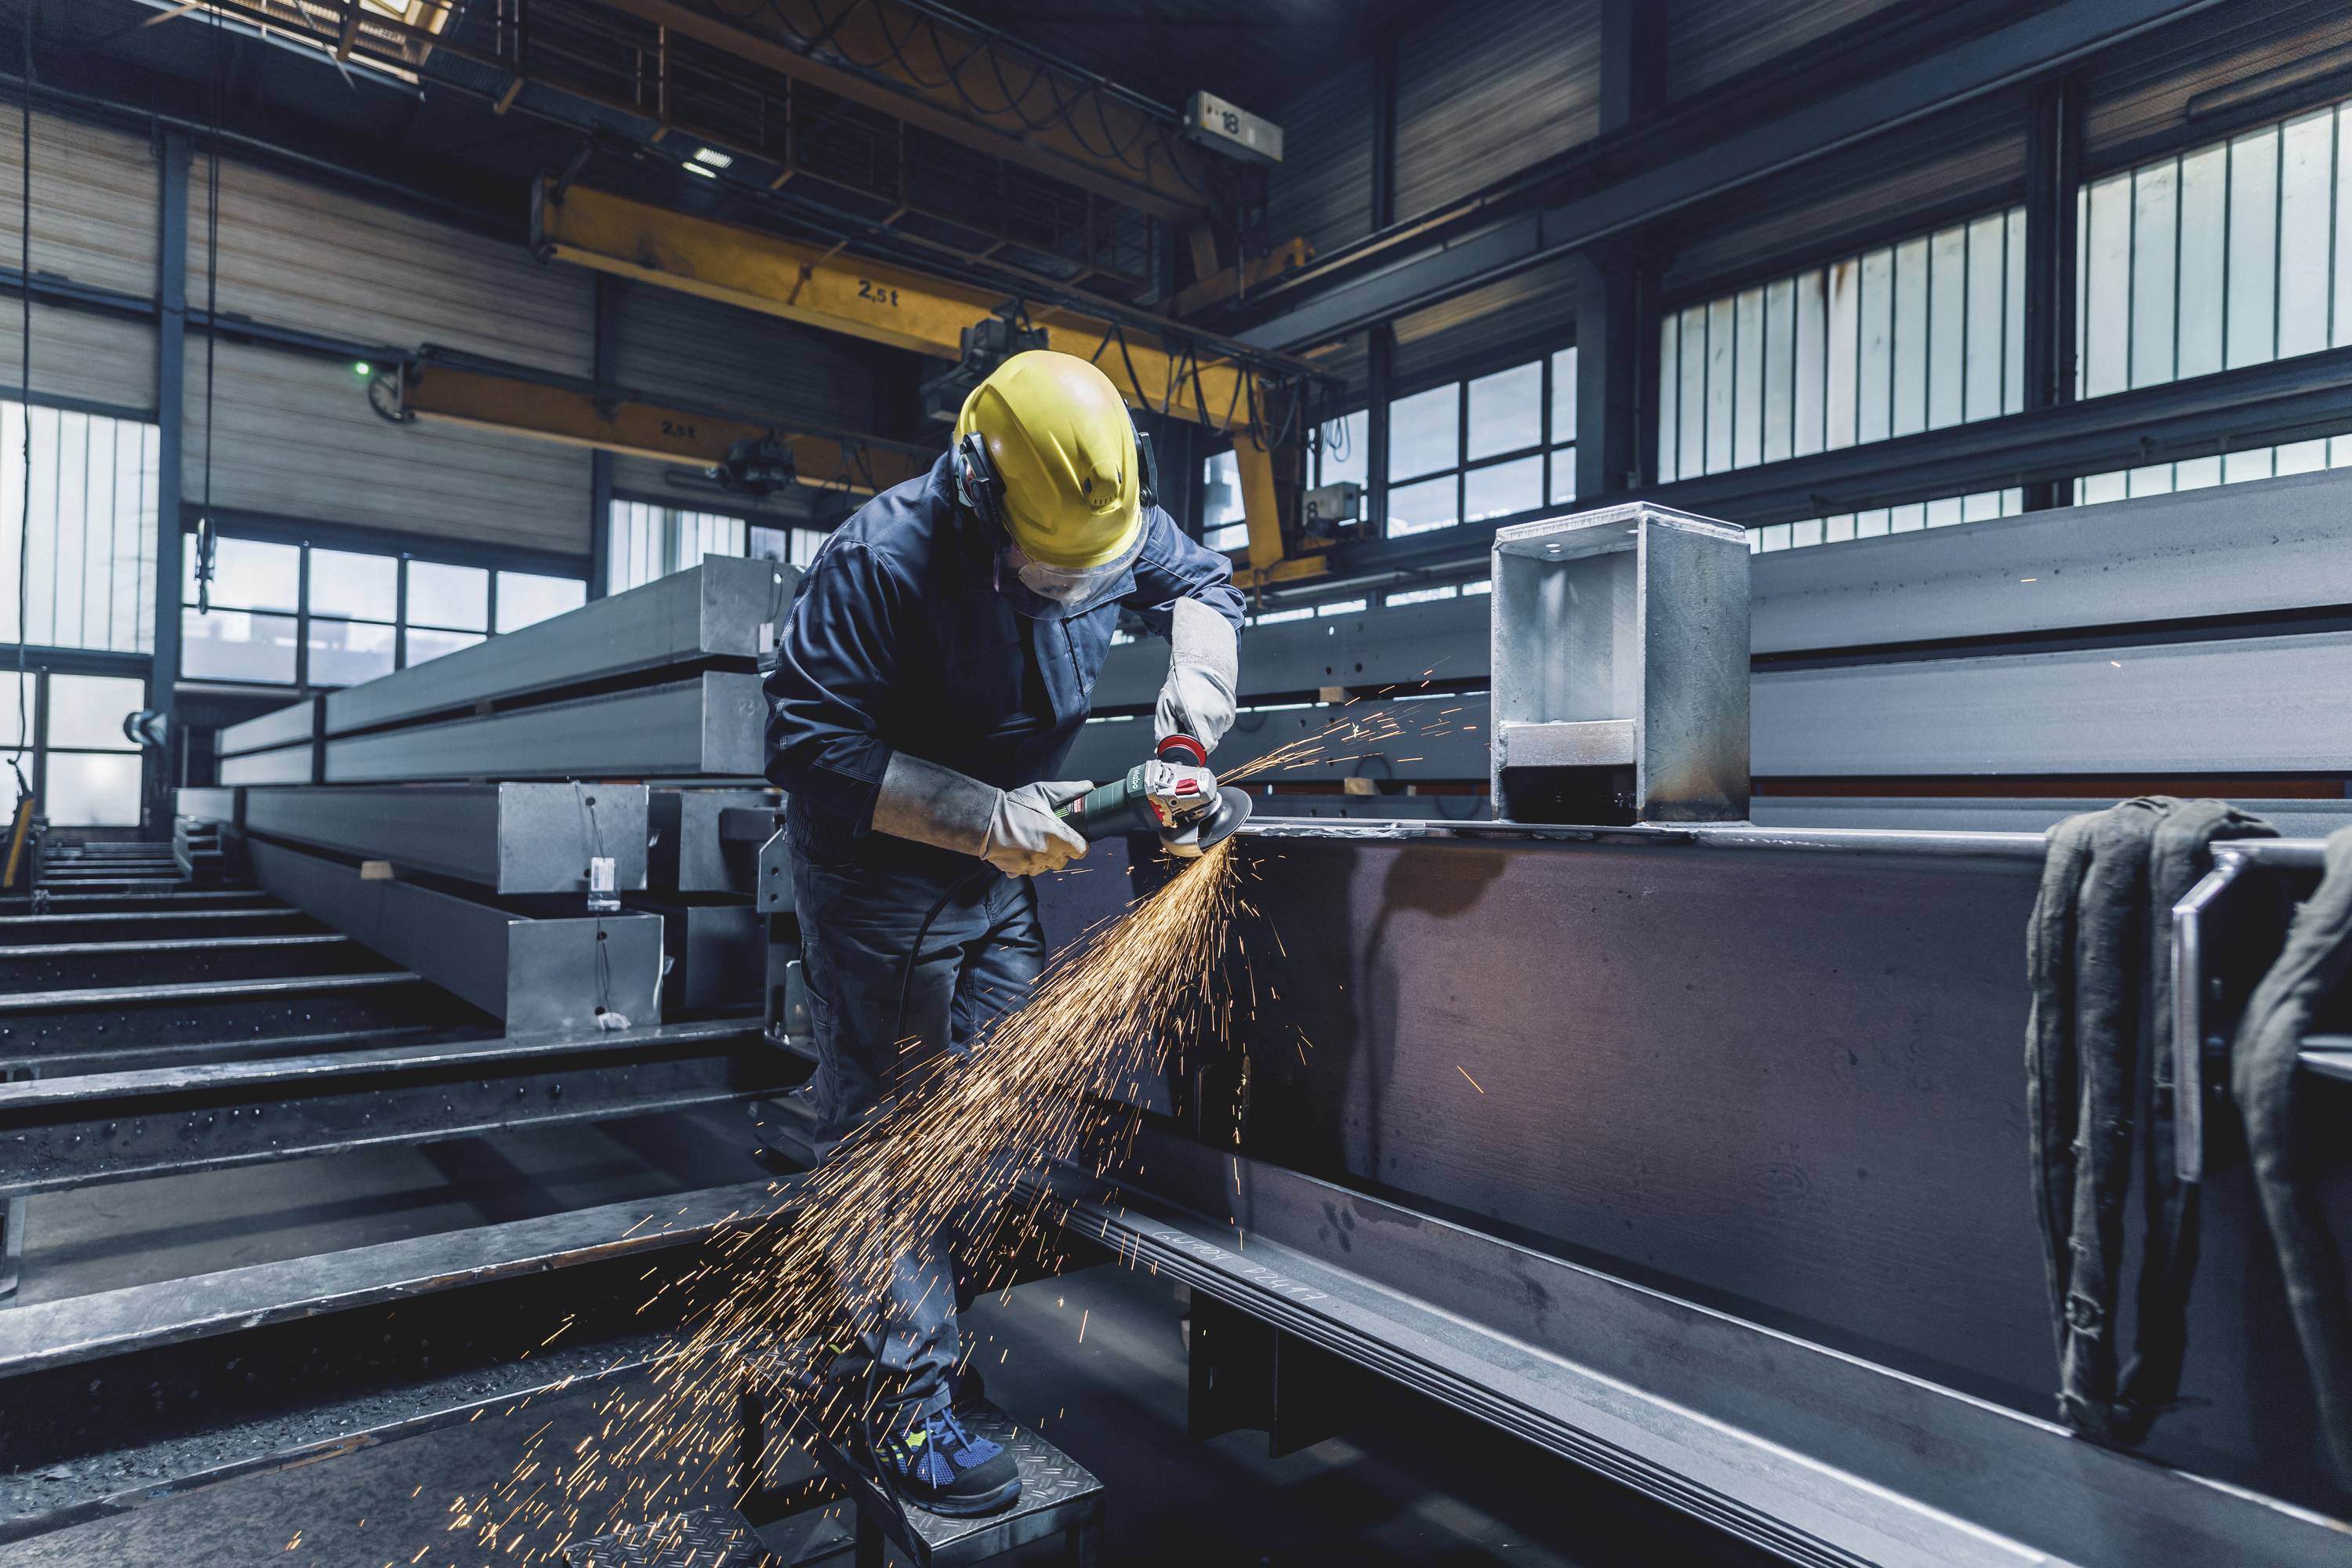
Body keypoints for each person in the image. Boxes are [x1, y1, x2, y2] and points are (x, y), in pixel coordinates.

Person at [764, 350, 1245, 1515]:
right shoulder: (880, 562)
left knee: (995, 1108)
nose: (1076, 598)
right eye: (1052, 580)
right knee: (886, 1133)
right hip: (880, 878)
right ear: (982, 492)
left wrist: (1187, 727)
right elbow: (808, 747)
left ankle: (888, 1323)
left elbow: (1204, 586)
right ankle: (906, 1403)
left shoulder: (1094, 504)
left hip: (999, 874)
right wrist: (974, 815)